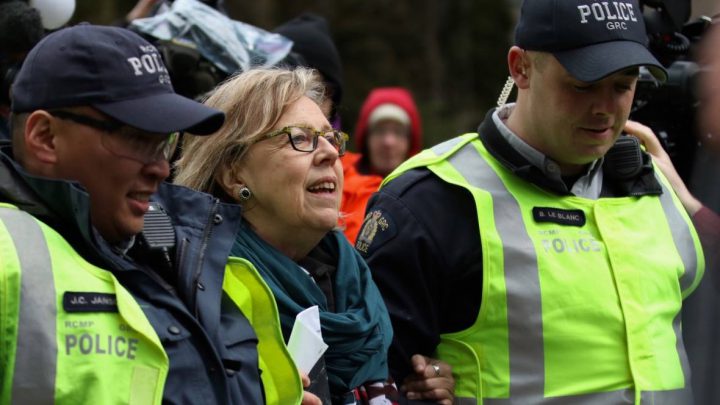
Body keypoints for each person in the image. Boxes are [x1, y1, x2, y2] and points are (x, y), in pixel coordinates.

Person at [357, 0, 705, 402]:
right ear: (520, 67)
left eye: (623, 86)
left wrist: (695, 208)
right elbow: (368, 376)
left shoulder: (657, 181)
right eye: (583, 85)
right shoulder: (432, 198)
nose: (604, 109)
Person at [0, 24, 304, 404]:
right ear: (44, 137)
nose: (161, 168)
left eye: (164, 143)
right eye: (135, 138)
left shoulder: (181, 246)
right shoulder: (8, 254)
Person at [174, 67, 455, 405]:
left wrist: (424, 390)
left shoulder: (359, 284)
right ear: (234, 173)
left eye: (330, 138)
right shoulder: (191, 288)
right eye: (299, 138)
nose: (330, 153)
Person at [341, 87, 422, 242]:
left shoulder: (424, 193)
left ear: (410, 141)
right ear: (366, 138)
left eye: (398, 132)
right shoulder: (336, 179)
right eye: (380, 131)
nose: (388, 142)